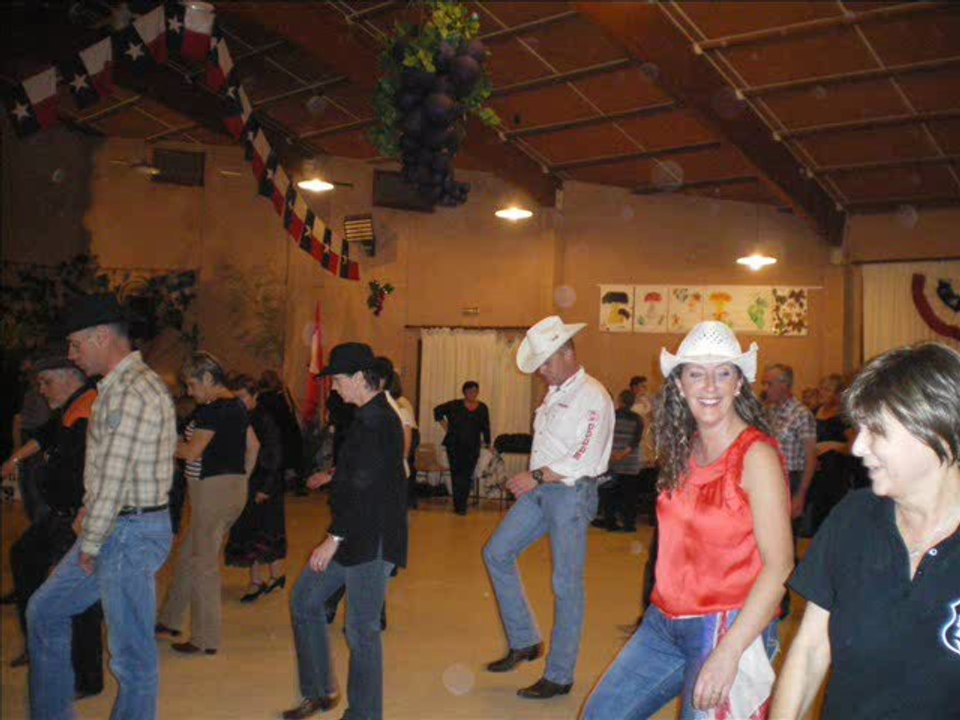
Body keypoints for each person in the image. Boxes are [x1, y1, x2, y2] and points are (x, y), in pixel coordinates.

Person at [583, 321, 793, 720]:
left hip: (726, 624)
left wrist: (730, 652)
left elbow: (780, 565)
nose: (710, 386)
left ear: (739, 385)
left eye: (723, 373)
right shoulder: (685, 447)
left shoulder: (756, 456)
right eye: (696, 373)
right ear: (680, 385)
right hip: (663, 622)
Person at [770, 343, 960, 719]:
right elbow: (811, 649)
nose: (857, 447)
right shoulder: (853, 518)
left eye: (876, 431)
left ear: (935, 430)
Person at [27, 293, 176, 720]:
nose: (72, 356)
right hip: (116, 526)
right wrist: (91, 517)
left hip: (127, 533)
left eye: (75, 345)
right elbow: (110, 475)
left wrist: (90, 543)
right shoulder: (117, 388)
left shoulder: (132, 391)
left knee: (132, 656)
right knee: (45, 611)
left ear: (99, 337)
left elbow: (113, 477)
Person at [484, 316, 614, 699]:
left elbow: (586, 458)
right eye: (539, 364)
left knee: (567, 584)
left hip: (570, 493)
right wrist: (535, 480)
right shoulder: (557, 392)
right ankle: (525, 640)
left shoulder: (593, 395)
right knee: (497, 552)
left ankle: (559, 675)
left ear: (568, 353)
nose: (541, 371)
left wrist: (536, 477)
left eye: (546, 362)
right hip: (542, 490)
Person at [281, 343, 407, 720]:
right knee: (305, 600)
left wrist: (332, 539)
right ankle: (321, 690)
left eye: (337, 379)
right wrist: (336, 476)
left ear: (357, 378)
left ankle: (365, 714)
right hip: (355, 534)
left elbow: (369, 486)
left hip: (371, 539)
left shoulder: (379, 419)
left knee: (362, 630)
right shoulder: (369, 415)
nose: (333, 387)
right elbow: (365, 472)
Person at [1, 348, 103, 698]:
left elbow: (91, 470)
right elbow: (42, 436)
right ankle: (40, 641)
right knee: (25, 557)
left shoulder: (88, 409)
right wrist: (14, 458)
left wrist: (87, 514)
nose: (42, 390)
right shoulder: (69, 408)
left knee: (78, 594)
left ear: (67, 378)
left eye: (46, 382)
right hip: (60, 515)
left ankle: (87, 678)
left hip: (77, 517)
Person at [155, 352, 257, 655]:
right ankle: (170, 620)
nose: (189, 391)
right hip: (229, 489)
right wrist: (239, 480)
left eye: (192, 384)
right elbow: (254, 446)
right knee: (189, 556)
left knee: (203, 564)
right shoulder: (237, 406)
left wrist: (163, 439)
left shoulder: (212, 410)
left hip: (212, 492)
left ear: (209, 379)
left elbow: (191, 452)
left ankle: (205, 639)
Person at [224, 374, 287, 603]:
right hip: (254, 481)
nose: (238, 402)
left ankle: (257, 581)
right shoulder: (243, 416)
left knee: (258, 534)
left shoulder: (262, 418)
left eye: (242, 397)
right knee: (267, 531)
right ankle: (276, 575)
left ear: (254, 396)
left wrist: (265, 487)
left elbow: (274, 453)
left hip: (262, 484)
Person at [763, 364, 817, 523]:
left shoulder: (801, 415)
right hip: (771, 476)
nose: (766, 389)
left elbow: (810, 458)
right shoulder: (770, 411)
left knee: (786, 533)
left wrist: (800, 495)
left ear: (784, 385)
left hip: (792, 478)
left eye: (769, 384)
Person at [804, 373, 856, 533]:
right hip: (817, 476)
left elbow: (853, 447)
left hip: (836, 478)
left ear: (838, 394)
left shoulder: (843, 417)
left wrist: (832, 445)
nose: (821, 392)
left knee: (833, 522)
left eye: (827, 390)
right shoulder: (815, 412)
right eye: (821, 388)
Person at [434, 381, 491, 515]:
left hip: (473, 446)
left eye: (475, 391)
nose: (473, 393)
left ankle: (462, 504)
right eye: (470, 391)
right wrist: (446, 427)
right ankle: (459, 506)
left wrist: (488, 443)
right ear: (464, 392)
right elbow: (437, 411)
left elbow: (486, 427)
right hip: (454, 445)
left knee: (467, 475)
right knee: (456, 475)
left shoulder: (483, 407)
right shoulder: (454, 405)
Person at [593, 389, 643, 532]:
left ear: (620, 401)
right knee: (629, 496)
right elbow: (635, 440)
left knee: (609, 493)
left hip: (612, 462)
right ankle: (629, 524)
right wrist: (624, 454)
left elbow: (604, 436)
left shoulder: (611, 416)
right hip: (630, 463)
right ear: (633, 403)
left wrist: (614, 455)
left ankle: (611, 523)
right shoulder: (638, 419)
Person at [258, 369, 304, 495]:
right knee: (291, 461)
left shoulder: (262, 398)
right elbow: (287, 414)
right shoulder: (280, 395)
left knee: (279, 463)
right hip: (287, 431)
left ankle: (281, 486)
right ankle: (297, 485)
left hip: (275, 433)